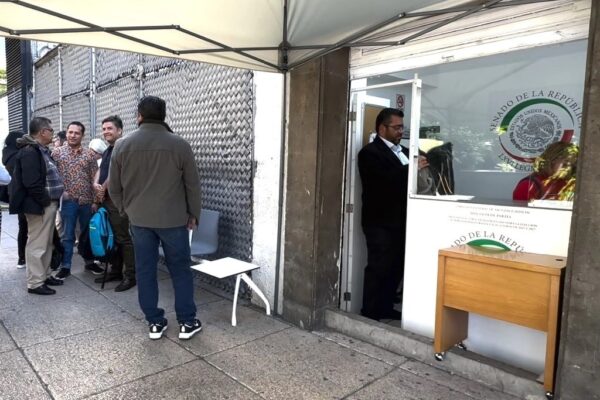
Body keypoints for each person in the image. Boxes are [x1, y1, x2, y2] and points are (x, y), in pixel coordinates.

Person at [109, 96, 202, 340]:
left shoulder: (122, 145)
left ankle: (155, 322)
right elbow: (192, 185)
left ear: (139, 115)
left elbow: (114, 187)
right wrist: (193, 213)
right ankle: (187, 321)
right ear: (163, 115)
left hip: (139, 221)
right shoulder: (179, 144)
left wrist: (124, 209)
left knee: (146, 271)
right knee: (180, 270)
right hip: (174, 221)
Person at [357, 108, 428, 321]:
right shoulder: (369, 153)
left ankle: (386, 307)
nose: (400, 131)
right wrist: (411, 170)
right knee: (378, 267)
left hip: (403, 221)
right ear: (382, 128)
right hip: (379, 222)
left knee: (396, 267)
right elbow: (382, 183)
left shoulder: (406, 152)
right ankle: (369, 311)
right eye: (396, 127)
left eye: (401, 127)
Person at [9, 117, 64, 295]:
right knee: (37, 244)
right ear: (42, 132)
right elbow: (31, 183)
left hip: (47, 205)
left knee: (47, 243)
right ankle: (35, 283)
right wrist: (46, 201)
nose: (52, 133)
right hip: (40, 206)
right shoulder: (30, 152)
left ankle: (45, 275)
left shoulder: (40, 150)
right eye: (50, 130)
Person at [52, 121, 102, 279]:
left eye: (76, 133)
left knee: (87, 234)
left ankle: (89, 261)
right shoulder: (57, 153)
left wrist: (95, 201)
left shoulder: (89, 155)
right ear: (66, 133)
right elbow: (52, 178)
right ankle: (65, 266)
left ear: (82, 135)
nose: (73, 135)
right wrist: (60, 194)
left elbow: (95, 177)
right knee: (67, 235)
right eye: (70, 132)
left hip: (87, 202)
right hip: (68, 202)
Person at [92, 115, 137, 292]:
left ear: (119, 130)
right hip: (106, 200)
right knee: (113, 238)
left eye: (109, 128)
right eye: (104, 129)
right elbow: (101, 170)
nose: (106, 132)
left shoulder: (123, 147)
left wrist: (102, 187)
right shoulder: (108, 149)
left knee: (124, 239)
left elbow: (117, 172)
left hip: (118, 202)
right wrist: (96, 184)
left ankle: (130, 276)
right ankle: (116, 270)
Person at [512, 141, 579, 201]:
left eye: (572, 165)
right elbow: (522, 213)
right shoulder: (528, 185)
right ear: (551, 160)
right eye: (565, 164)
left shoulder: (568, 183)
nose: (569, 168)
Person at [3, 131, 28, 269]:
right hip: (24, 194)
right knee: (30, 228)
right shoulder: (19, 155)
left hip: (14, 195)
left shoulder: (7, 154)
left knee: (22, 228)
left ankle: (21, 258)